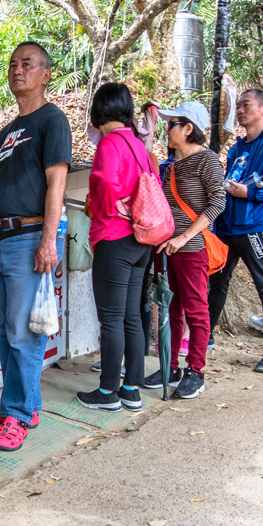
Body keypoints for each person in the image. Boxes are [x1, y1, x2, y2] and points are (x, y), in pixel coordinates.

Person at [0, 43, 68, 449]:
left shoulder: (52, 121)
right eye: (12, 64)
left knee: (23, 332)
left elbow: (57, 182)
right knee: (5, 330)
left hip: (30, 239)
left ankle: (20, 414)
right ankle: (20, 400)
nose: (17, 70)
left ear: (45, 74)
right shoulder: (7, 131)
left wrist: (49, 239)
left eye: (26, 64)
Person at [78, 83, 158, 411]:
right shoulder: (139, 146)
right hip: (141, 241)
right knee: (130, 317)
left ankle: (108, 391)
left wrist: (98, 207)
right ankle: (130, 389)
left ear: (99, 109)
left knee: (110, 318)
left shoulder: (111, 142)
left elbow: (105, 183)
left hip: (114, 237)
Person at [209, 89, 263, 374]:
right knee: (217, 280)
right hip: (226, 224)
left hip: (256, 225)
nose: (240, 110)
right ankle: (204, 336)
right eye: (238, 106)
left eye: (246, 105)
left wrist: (252, 194)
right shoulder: (236, 148)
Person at [151, 100, 224, 399]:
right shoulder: (167, 165)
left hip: (191, 247)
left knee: (196, 308)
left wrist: (183, 238)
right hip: (164, 248)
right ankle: (170, 366)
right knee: (169, 308)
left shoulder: (208, 161)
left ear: (188, 128)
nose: (166, 130)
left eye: (171, 125)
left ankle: (196, 370)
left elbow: (217, 202)